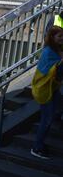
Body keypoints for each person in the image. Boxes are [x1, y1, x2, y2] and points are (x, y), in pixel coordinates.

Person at [31, 26, 63, 159]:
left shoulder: (58, 49)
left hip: (53, 87)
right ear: (52, 38)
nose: (62, 39)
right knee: (46, 119)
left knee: (50, 116)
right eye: (59, 37)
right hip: (44, 89)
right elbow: (53, 71)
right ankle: (37, 147)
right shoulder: (48, 52)